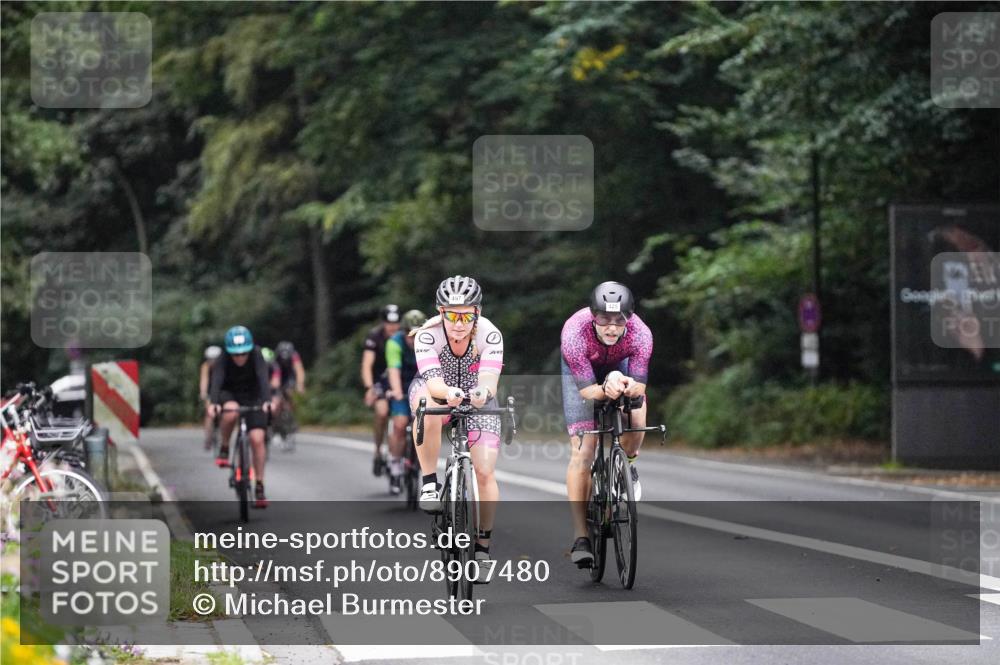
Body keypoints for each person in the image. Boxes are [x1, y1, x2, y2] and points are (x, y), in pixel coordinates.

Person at [410, 276, 504, 581]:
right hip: (437, 391)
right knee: (427, 406)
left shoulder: (490, 334)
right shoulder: (427, 335)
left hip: (479, 397)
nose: (459, 323)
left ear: (477, 311)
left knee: (485, 471)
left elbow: (489, 380)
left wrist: (482, 394)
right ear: (440, 311)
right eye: (451, 315)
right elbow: (432, 379)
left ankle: (482, 548)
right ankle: (428, 481)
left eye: (466, 315)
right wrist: (445, 392)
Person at [560, 281, 653, 567]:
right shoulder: (575, 333)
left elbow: (638, 388)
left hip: (621, 368)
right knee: (584, 451)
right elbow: (588, 392)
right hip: (583, 375)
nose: (611, 328)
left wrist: (623, 386)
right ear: (592, 316)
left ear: (630, 318)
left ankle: (627, 464)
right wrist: (605, 389)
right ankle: (581, 537)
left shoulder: (641, 335)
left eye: (619, 320)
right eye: (603, 319)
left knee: (636, 416)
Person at [209, 325, 276, 508]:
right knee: (230, 412)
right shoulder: (223, 358)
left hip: (253, 395)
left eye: (243, 354)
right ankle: (224, 446)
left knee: (257, 438)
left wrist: (267, 401)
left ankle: (260, 485)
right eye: (235, 354)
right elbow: (217, 380)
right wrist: (214, 403)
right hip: (230, 393)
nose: (239, 358)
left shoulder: (256, 354)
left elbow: (263, 378)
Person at [385, 309, 427, 494]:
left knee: (426, 423)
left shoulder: (429, 343)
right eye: (410, 334)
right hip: (401, 386)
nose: (413, 338)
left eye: (417, 334)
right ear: (403, 332)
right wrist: (396, 392)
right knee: (400, 424)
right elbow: (393, 370)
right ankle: (395, 463)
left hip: (422, 385)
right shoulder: (394, 343)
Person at [361, 304, 401, 476]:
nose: (392, 326)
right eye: (388, 322)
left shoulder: (405, 336)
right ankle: (378, 449)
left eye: (396, 323)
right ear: (383, 322)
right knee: (382, 412)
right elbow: (366, 364)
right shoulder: (374, 336)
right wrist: (370, 387)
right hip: (381, 380)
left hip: (401, 379)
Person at [271, 341, 305, 422]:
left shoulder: (294, 356)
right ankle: (276, 417)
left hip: (290, 375)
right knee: (276, 395)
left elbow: (299, 370)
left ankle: (291, 414)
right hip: (279, 374)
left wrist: (300, 384)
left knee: (290, 392)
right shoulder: (275, 357)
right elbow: (273, 371)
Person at [199, 345, 222, 450]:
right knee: (209, 413)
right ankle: (208, 437)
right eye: (210, 359)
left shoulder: (223, 366)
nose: (212, 361)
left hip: (222, 391)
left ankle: (222, 434)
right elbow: (204, 381)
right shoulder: (205, 366)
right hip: (210, 391)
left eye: (214, 359)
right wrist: (203, 393)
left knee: (224, 411)